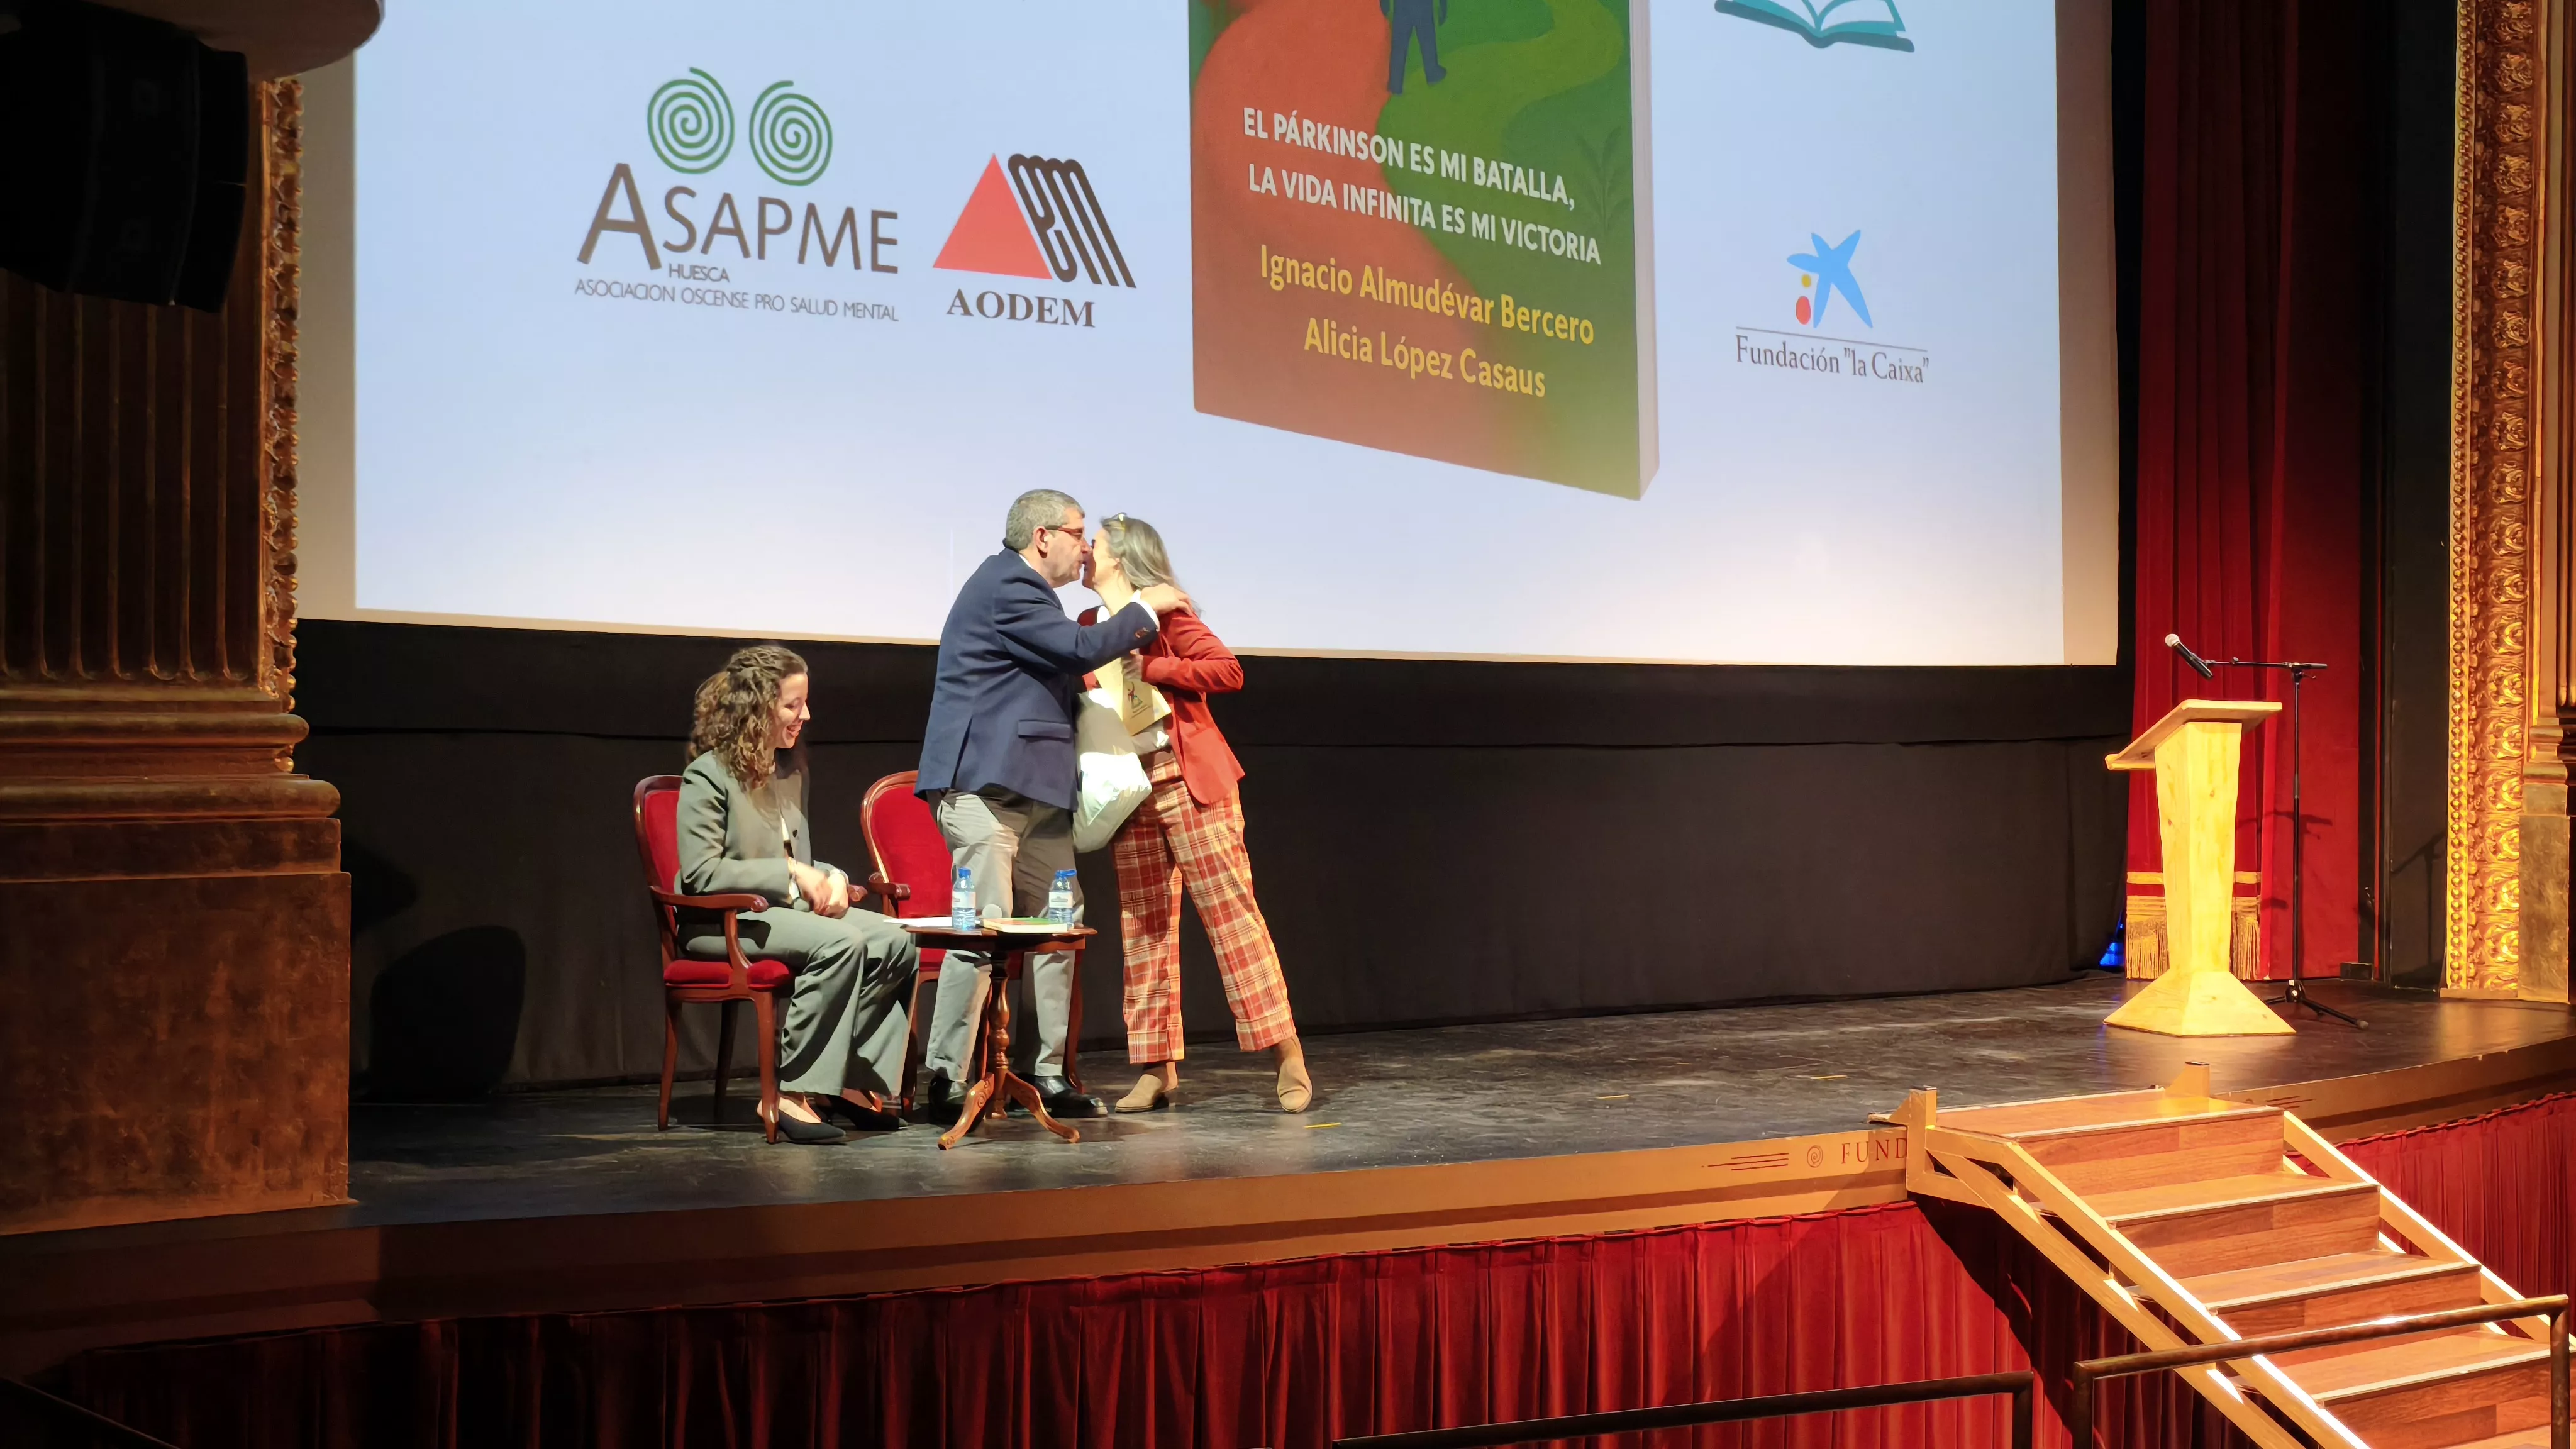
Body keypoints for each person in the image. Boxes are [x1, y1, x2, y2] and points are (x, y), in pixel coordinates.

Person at [915, 491, 1191, 1121]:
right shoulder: (1007, 584)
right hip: (984, 790)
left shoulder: (1029, 596)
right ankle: (945, 1078)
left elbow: (1063, 669)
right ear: (1043, 537)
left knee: (1060, 930)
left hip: (1036, 795)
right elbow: (1072, 650)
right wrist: (1145, 607)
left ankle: (1048, 1075)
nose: (1086, 545)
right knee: (981, 932)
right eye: (1078, 533)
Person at [1080, 515, 1311, 1113]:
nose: (1085, 550)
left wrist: (1155, 667)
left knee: (1231, 917)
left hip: (1187, 779)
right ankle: (1158, 1068)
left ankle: (1287, 1053)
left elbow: (1227, 671)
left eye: (1096, 544)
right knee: (1145, 926)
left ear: (1124, 559)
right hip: (1129, 789)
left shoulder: (1170, 617)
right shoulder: (1086, 627)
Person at [676, 645, 919, 1145]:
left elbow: (799, 858)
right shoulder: (708, 775)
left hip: (784, 913)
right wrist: (793, 874)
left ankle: (849, 1080)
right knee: (841, 945)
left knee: (898, 939)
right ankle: (790, 1090)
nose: (805, 715)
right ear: (758, 705)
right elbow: (701, 874)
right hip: (724, 924)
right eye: (793, 705)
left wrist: (827, 877)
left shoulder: (790, 772)